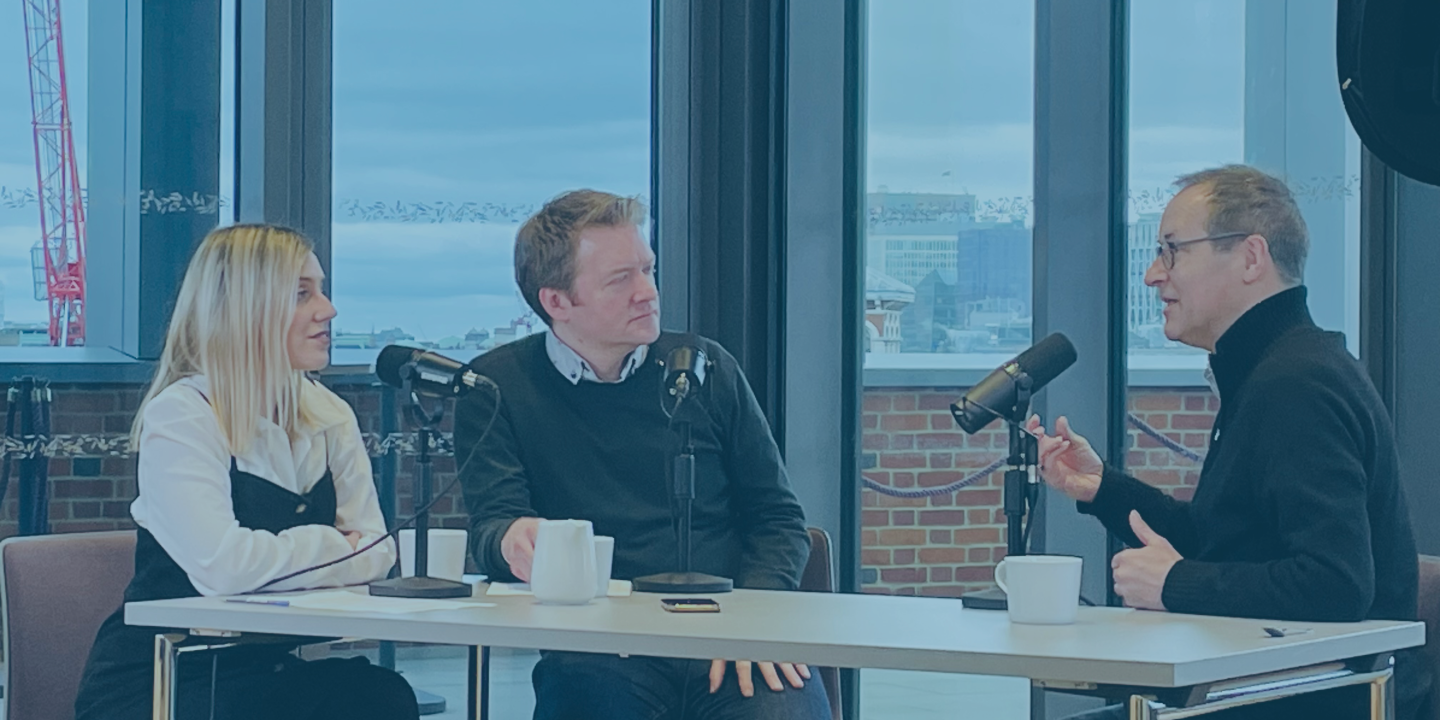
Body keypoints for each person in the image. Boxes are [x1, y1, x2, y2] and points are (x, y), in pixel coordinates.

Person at [1030, 165, 1428, 720]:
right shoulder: (1278, 367)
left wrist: (1175, 584)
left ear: (1249, 257)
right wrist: (1103, 490)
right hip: (1274, 687)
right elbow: (1222, 540)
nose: (1152, 275)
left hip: (1318, 699)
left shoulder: (1295, 384)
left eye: (1172, 251)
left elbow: (1336, 583)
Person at [454, 190, 832, 720]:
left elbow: (779, 520)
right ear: (557, 302)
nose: (647, 293)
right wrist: (513, 539)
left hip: (731, 632)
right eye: (619, 279)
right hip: (599, 644)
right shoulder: (494, 387)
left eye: (648, 271)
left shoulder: (704, 368)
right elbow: (492, 531)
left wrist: (754, 619)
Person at [74, 224, 416, 720]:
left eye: (320, 290)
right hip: (163, 682)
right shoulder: (183, 414)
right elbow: (224, 567)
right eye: (302, 294)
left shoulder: (330, 413)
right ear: (244, 310)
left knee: (380, 696)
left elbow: (379, 552)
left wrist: (301, 557)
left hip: (264, 673)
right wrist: (334, 544)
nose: (328, 309)